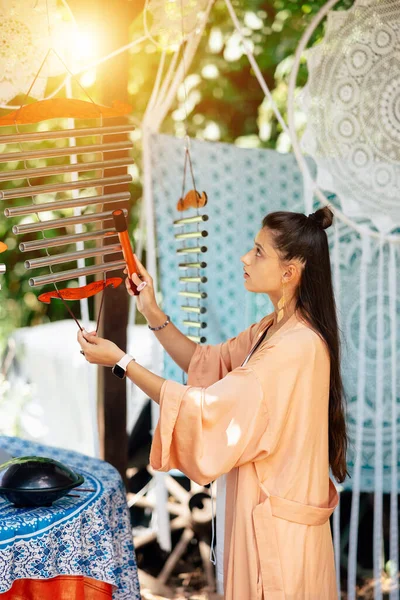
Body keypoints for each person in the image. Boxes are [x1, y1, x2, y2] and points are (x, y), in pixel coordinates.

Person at [78, 206, 348, 600]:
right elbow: (206, 363)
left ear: (290, 272)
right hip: (271, 522)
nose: (245, 258)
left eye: (258, 252)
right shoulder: (275, 328)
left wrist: (121, 362)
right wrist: (152, 311)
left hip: (277, 539)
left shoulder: (294, 347)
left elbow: (204, 410)